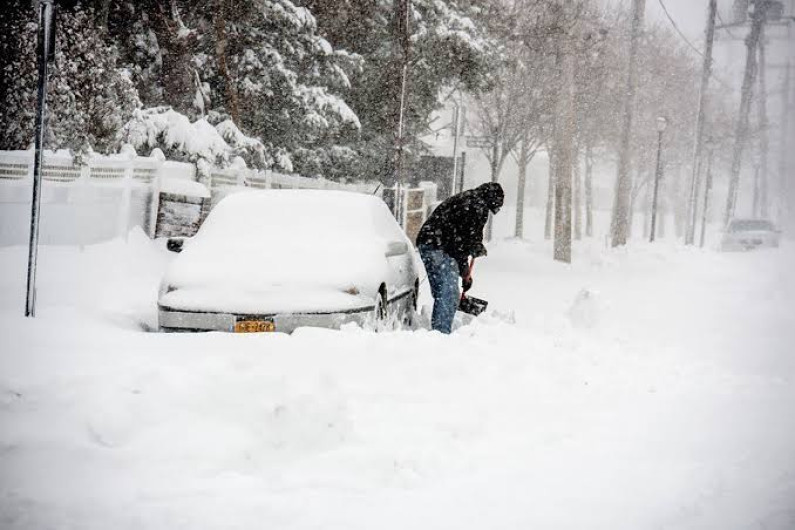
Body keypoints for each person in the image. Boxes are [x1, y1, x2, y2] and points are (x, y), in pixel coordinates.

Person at [415, 182, 504, 333]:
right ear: (492, 200)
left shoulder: (469, 199)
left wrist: (466, 266)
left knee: (443, 291)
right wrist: (464, 271)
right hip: (438, 245)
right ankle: (440, 334)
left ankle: (438, 331)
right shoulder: (477, 206)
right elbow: (463, 242)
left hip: (428, 241)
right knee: (448, 293)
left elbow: (465, 238)